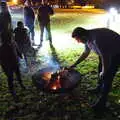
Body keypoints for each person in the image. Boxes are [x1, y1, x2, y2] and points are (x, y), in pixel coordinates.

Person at [69, 27, 120, 111]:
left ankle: (102, 102)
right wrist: (74, 64)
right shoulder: (86, 39)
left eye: (78, 40)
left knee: (107, 76)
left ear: (83, 36)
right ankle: (99, 87)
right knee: (100, 69)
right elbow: (85, 53)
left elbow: (106, 58)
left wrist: (104, 72)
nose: (78, 42)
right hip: (105, 53)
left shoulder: (97, 39)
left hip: (116, 53)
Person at [0, 30, 25, 101]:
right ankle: (12, 91)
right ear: (5, 38)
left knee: (18, 74)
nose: (12, 37)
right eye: (10, 37)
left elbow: (17, 49)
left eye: (11, 36)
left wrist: (20, 55)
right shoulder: (2, 48)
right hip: (8, 66)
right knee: (10, 78)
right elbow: (1, 59)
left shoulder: (13, 43)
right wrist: (4, 67)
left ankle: (21, 84)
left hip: (15, 63)